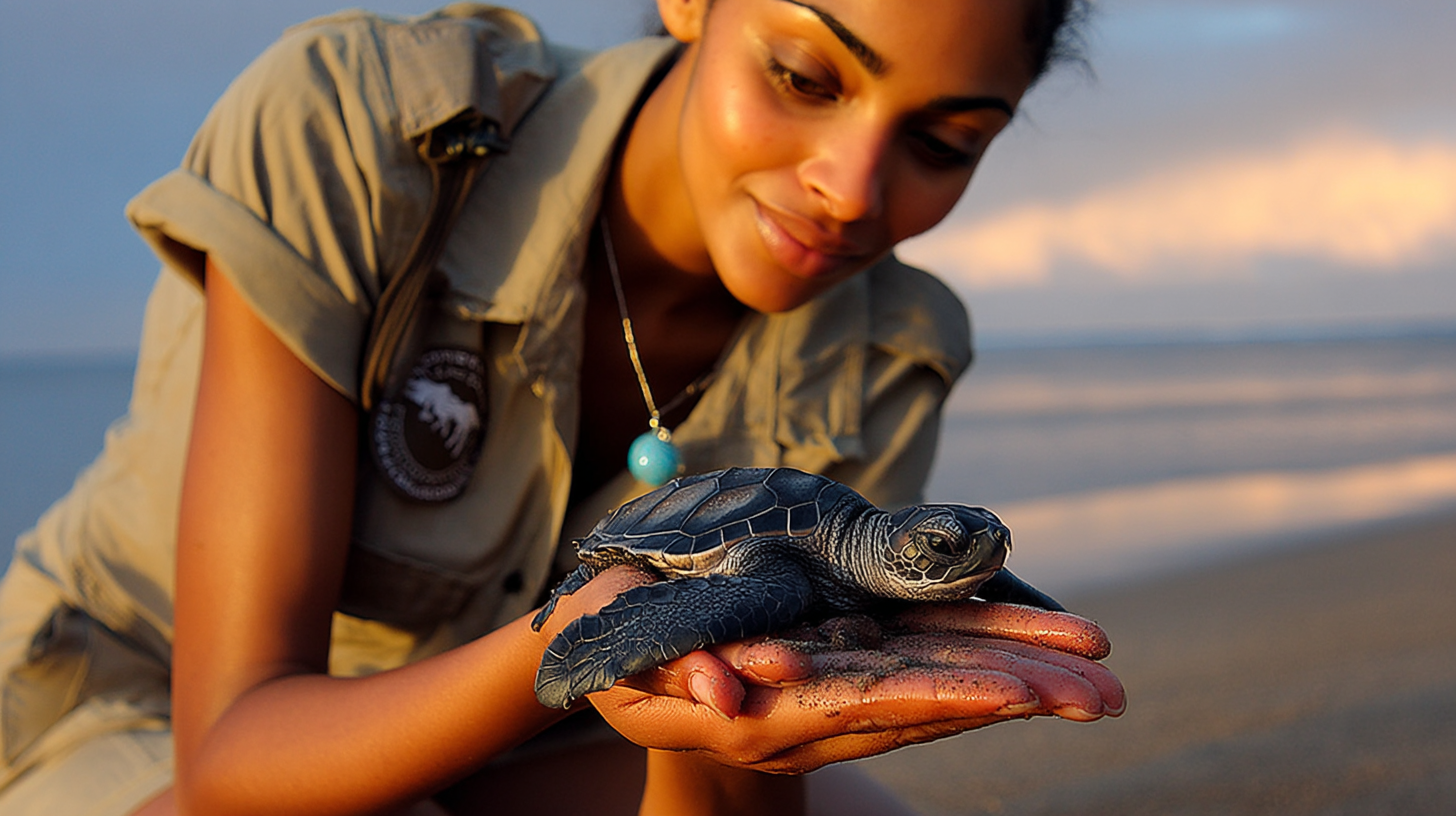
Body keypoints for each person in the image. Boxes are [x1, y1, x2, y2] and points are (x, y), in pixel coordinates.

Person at [0, 0, 1125, 813]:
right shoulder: (360, 127)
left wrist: (721, 726)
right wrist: (582, 642)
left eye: (942, 143)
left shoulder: (893, 348)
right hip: (152, 710)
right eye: (803, 74)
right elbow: (234, 764)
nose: (850, 185)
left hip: (552, 730)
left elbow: (725, 739)